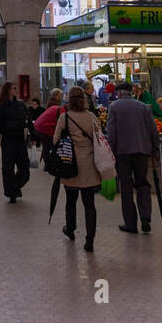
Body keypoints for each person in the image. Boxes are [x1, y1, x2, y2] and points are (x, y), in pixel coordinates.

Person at [106, 80, 158, 234]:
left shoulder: (114, 107)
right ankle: (145, 217)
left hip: (122, 153)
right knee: (143, 184)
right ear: (131, 92)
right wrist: (155, 147)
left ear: (119, 93)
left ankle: (131, 224)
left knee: (126, 187)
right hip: (142, 151)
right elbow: (153, 129)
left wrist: (110, 151)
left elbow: (112, 132)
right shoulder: (143, 107)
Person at [57, 86, 102, 252]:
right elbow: (100, 138)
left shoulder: (65, 118)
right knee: (89, 204)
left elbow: (56, 140)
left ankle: (70, 228)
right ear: (84, 100)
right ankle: (89, 240)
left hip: (70, 165)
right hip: (89, 165)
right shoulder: (91, 117)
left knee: (71, 200)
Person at [0, 82, 32, 202]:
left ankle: (14, 186)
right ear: (8, 90)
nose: (16, 90)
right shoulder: (2, 106)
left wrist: (34, 136)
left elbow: (28, 120)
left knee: (24, 168)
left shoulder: (21, 105)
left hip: (20, 140)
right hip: (8, 140)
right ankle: (12, 193)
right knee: (8, 168)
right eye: (14, 88)